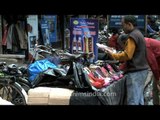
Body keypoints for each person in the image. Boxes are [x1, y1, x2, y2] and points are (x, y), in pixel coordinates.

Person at [105, 15, 149, 105]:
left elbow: (127, 55)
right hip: (142, 71)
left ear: (129, 24)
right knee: (138, 98)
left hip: (136, 72)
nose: (122, 27)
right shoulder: (138, 33)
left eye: (123, 25)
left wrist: (113, 55)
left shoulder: (133, 36)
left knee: (133, 100)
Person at [118, 35, 160, 105]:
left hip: (157, 65)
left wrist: (157, 78)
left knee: (157, 88)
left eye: (123, 46)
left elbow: (152, 63)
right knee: (155, 90)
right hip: (157, 64)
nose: (124, 49)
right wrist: (120, 69)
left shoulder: (144, 45)